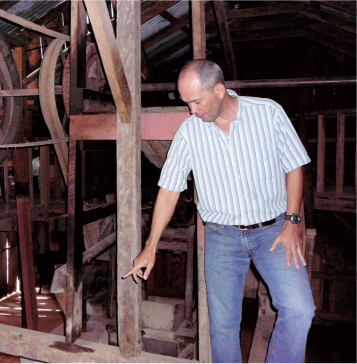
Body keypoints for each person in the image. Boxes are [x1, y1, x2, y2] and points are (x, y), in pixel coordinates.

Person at [122, 60, 315, 363]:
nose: (191, 110)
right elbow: (170, 189)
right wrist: (150, 246)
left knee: (300, 309)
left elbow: (294, 166)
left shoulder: (268, 113)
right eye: (186, 103)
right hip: (221, 236)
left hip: (273, 231)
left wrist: (292, 222)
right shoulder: (189, 132)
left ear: (220, 90)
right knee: (223, 326)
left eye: (196, 101)